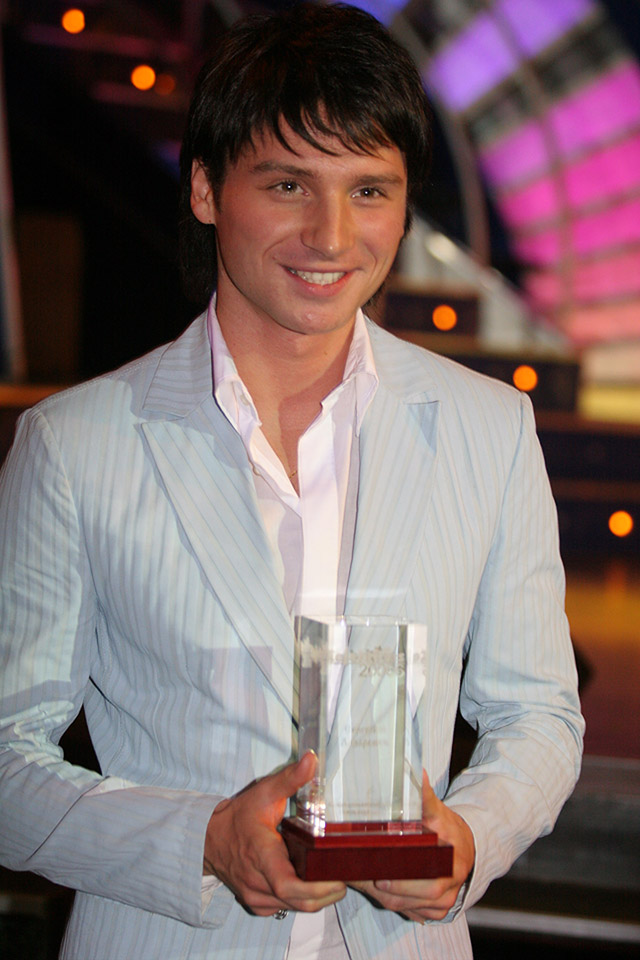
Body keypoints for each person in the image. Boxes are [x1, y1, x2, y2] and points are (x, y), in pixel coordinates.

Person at [0, 4, 583, 958]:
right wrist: (202, 839)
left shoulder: (489, 428)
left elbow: (538, 715)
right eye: (287, 184)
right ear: (205, 188)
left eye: (369, 190)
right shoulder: (76, 446)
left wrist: (469, 839)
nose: (331, 234)